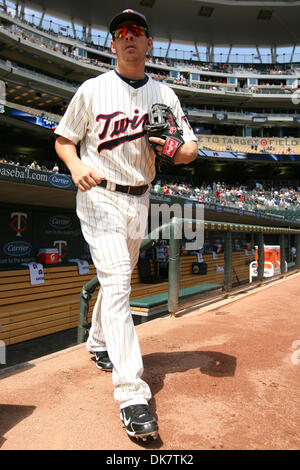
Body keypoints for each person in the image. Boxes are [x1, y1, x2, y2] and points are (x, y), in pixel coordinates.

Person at [54, 8, 198, 441]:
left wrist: (177, 149)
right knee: (117, 282)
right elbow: (64, 139)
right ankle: (132, 394)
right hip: (98, 193)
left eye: (137, 31)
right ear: (113, 44)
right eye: (121, 32)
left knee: (118, 280)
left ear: (148, 44)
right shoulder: (93, 89)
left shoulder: (164, 94)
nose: (129, 36)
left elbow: (191, 148)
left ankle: (98, 342)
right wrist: (75, 163)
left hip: (141, 198)